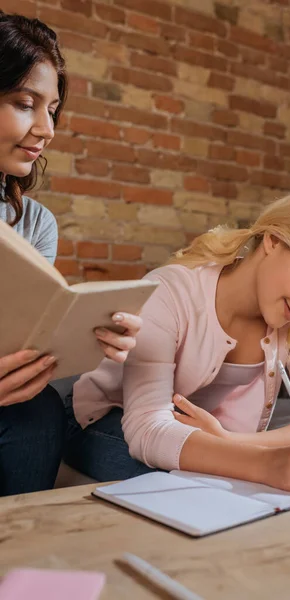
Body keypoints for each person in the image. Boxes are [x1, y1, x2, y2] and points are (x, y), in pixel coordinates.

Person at [67, 188, 290, 493]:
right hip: (107, 419)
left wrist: (231, 443)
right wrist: (265, 463)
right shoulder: (170, 290)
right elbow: (147, 427)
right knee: (194, 490)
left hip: (204, 438)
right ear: (274, 240)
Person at [0, 12, 141, 496]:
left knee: (37, 409)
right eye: (24, 103)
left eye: (52, 109)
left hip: (11, 398)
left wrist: (92, 337)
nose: (47, 128)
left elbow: (29, 330)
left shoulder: (34, 223)